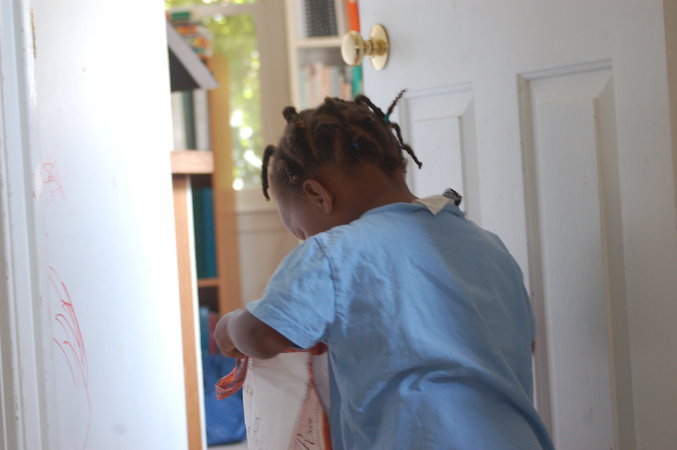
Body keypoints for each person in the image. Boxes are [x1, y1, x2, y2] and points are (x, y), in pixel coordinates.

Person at [214, 92, 554, 449]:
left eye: (300, 232)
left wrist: (228, 327)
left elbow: (261, 336)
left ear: (317, 195)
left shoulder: (334, 252)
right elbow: (523, 344)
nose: (306, 241)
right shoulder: (488, 245)